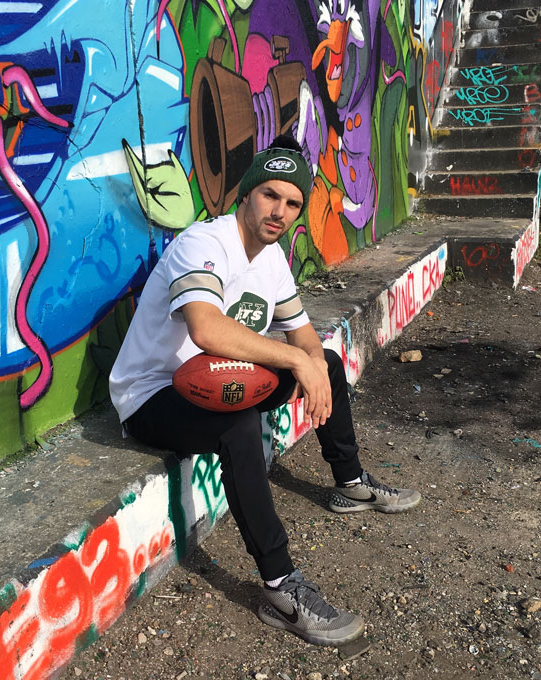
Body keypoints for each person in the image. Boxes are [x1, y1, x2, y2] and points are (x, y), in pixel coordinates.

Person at [110, 135, 421, 646]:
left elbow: (303, 335)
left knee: (327, 363)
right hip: (153, 394)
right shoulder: (203, 244)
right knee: (238, 425)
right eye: (270, 195)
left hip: (218, 379)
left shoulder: (272, 258)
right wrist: (296, 359)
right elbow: (206, 329)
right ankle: (280, 588)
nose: (280, 211)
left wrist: (310, 361)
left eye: (292, 203)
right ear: (247, 194)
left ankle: (350, 483)